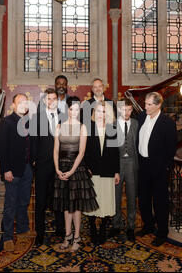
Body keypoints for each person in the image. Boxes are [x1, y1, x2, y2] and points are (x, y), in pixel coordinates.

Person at [53, 96, 98, 252]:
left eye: (77, 109)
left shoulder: (82, 127)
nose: (74, 112)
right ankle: (67, 236)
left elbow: (82, 152)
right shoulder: (59, 127)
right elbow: (56, 150)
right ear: (67, 109)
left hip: (77, 169)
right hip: (62, 168)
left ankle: (77, 237)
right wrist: (57, 169)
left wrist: (71, 171)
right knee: (66, 205)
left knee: (76, 206)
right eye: (71, 109)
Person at [136, 92, 177, 247]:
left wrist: (165, 167)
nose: (145, 107)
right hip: (143, 165)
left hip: (159, 168)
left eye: (149, 105)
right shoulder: (141, 117)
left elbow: (171, 149)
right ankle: (148, 226)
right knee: (144, 199)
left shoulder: (167, 123)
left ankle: (162, 232)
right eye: (145, 104)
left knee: (160, 201)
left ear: (158, 105)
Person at [0, 93, 33, 252]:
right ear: (13, 105)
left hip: (27, 169)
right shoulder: (6, 122)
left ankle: (23, 229)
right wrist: (6, 170)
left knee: (24, 201)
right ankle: (8, 237)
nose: (23, 105)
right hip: (12, 170)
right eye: (20, 102)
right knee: (10, 204)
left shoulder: (28, 122)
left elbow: (31, 145)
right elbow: (1, 148)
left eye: (26, 102)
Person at [31, 88, 65, 246]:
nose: (51, 102)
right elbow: (33, 142)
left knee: (59, 198)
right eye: (49, 99)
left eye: (54, 99)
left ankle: (61, 229)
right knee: (40, 201)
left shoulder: (64, 117)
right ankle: (40, 233)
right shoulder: (36, 118)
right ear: (44, 101)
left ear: (58, 100)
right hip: (42, 165)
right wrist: (34, 161)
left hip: (60, 165)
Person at [84, 101, 120, 245]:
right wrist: (86, 167)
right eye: (98, 111)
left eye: (104, 112)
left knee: (107, 201)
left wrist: (117, 171)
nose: (101, 114)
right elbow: (84, 151)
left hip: (108, 171)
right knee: (93, 201)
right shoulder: (87, 128)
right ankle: (92, 227)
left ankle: (103, 228)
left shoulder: (112, 129)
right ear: (94, 113)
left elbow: (115, 152)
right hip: (92, 172)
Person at [109, 98, 138, 242]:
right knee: (116, 196)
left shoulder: (136, 124)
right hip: (116, 163)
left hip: (132, 163)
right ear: (119, 109)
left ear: (132, 110)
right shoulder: (112, 125)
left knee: (132, 196)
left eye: (129, 109)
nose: (126, 112)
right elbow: (109, 148)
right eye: (123, 109)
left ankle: (131, 226)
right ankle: (116, 224)